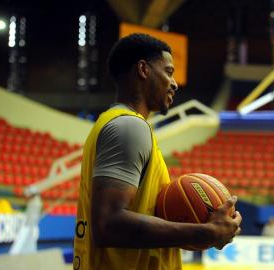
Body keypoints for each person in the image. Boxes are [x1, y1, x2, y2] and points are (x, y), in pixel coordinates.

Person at [73, 33, 242, 270]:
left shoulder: (118, 124)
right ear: (143, 69)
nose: (174, 83)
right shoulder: (129, 126)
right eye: (169, 72)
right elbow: (108, 224)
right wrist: (204, 232)